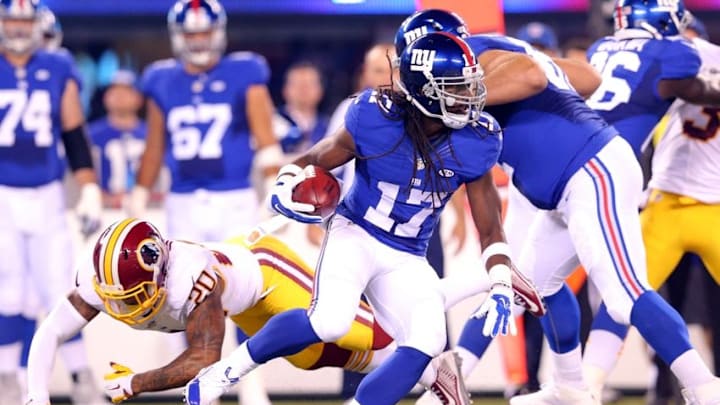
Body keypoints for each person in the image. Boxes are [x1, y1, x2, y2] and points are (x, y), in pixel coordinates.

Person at [182, 32, 538, 405]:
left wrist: (499, 279)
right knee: (330, 321)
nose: (469, 97)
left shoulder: (477, 139)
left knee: (428, 342)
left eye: (469, 85)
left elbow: (490, 225)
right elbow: (310, 161)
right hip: (357, 232)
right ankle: (223, 373)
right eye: (456, 88)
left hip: (407, 254)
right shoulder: (375, 118)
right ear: (426, 90)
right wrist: (286, 188)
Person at [396, 8, 720, 405]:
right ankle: (569, 388)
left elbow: (532, 76)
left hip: (589, 168)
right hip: (564, 183)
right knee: (530, 285)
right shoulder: (501, 53)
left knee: (625, 295)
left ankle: (705, 388)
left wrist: (467, 94)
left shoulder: (475, 57)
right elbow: (586, 78)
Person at [25, 216, 516, 404]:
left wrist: (137, 383)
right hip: (243, 301)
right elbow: (50, 332)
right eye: (116, 299)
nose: (123, 308)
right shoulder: (107, 278)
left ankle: (489, 277)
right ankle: (436, 373)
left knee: (375, 333)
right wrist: (34, 397)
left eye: (132, 297)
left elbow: (204, 361)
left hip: (266, 274)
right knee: (308, 356)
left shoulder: (194, 280)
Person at [581, 3, 720, 402]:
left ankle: (590, 383)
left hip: (675, 203)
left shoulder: (675, 53)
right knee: (622, 291)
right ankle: (592, 384)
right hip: (671, 201)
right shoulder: (686, 54)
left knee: (621, 293)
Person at [0, 0, 105, 404]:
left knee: (60, 289)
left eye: (26, 21)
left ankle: (81, 379)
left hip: (46, 192)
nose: (20, 28)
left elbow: (74, 132)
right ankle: (8, 379)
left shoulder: (58, 66)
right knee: (8, 292)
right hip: (3, 193)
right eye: (13, 20)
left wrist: (89, 187)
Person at [128, 0, 281, 241]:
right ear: (178, 36)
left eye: (205, 32)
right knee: (184, 276)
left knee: (238, 272)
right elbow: (154, 147)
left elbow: (265, 138)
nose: (199, 40)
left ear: (218, 32)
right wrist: (139, 193)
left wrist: (274, 184)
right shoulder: (161, 79)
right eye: (191, 34)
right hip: (182, 199)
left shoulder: (244, 71)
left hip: (234, 197)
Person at [89, 69, 147, 209]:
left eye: (126, 91)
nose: (119, 96)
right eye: (114, 91)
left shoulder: (151, 134)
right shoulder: (90, 134)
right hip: (102, 208)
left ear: (138, 98)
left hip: (144, 208)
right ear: (105, 97)